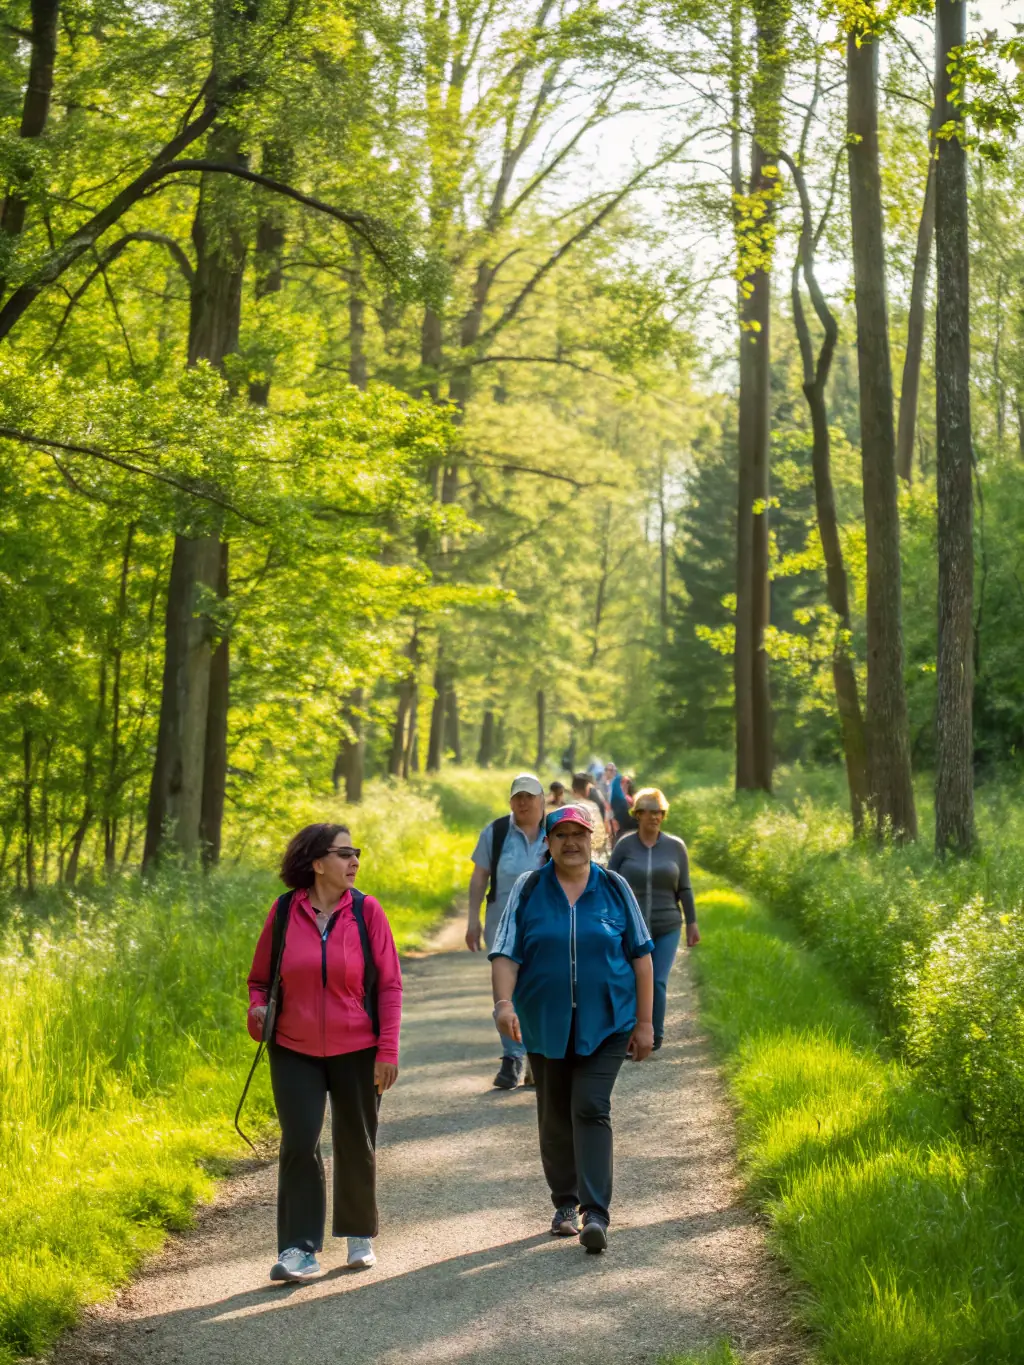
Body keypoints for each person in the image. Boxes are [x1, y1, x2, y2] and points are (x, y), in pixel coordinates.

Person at [489, 803, 654, 1253]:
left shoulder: (615, 887)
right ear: (548, 842)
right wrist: (503, 1005)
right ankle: (565, 1202)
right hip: (545, 1021)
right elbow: (506, 952)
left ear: (592, 839)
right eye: (560, 835)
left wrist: (645, 1023)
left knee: (589, 1106)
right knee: (554, 1113)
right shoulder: (529, 889)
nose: (570, 843)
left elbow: (641, 956)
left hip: (608, 1021)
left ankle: (595, 1212)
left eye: (578, 834)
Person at [247, 823, 402, 1282]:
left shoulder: (366, 911)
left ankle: (358, 1235)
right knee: (299, 1142)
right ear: (317, 863)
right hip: (293, 1047)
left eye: (356, 853)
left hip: (358, 1046)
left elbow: (390, 985)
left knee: (356, 1138)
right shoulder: (282, 912)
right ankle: (299, 1248)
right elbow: (258, 979)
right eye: (344, 854)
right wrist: (258, 1010)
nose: (354, 862)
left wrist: (387, 1049)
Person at [466, 773, 547, 1088]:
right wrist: (473, 919)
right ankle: (513, 1057)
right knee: (506, 993)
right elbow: (479, 878)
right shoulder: (497, 832)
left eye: (529, 796)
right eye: (518, 797)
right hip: (502, 929)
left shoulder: (555, 832)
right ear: (511, 800)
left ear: (541, 799)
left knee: (540, 991)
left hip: (545, 928)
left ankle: (537, 1059)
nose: (523, 802)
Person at [608, 788, 699, 1052]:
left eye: (658, 812)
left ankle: (654, 1036)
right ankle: (626, 1035)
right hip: (630, 927)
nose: (654, 817)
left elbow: (685, 887)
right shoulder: (625, 845)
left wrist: (692, 922)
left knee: (657, 980)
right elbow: (609, 882)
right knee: (628, 979)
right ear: (637, 814)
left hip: (667, 924)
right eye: (648, 811)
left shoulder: (675, 847)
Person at [571, 771, 609, 861]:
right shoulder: (593, 807)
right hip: (591, 856)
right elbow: (600, 836)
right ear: (587, 788)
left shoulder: (566, 807)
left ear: (573, 788)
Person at [609, 771, 638, 844]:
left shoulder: (635, 799)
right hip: (622, 834)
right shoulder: (616, 800)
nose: (624, 784)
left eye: (627, 782)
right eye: (622, 782)